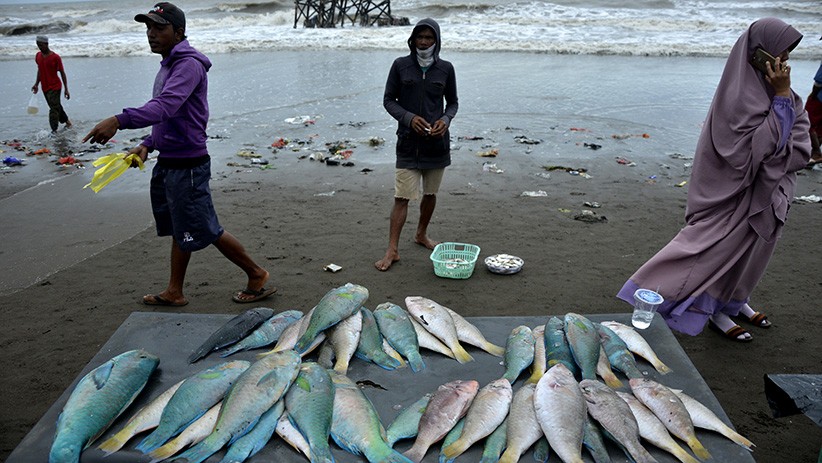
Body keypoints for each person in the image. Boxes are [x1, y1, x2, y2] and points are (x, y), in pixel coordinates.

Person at [616, 18, 810, 342]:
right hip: (731, 192)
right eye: (778, 56)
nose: (783, 65)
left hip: (771, 190)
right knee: (713, 248)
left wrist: (782, 102)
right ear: (756, 55)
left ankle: (734, 302)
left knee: (754, 252)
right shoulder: (737, 100)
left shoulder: (787, 95)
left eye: (787, 58)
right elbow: (754, 151)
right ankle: (683, 301)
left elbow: (799, 144)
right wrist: (780, 109)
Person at [83, 2, 275, 306]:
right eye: (148, 27)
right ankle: (175, 290)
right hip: (170, 161)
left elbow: (165, 106)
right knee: (180, 226)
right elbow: (169, 116)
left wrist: (118, 120)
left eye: (160, 27)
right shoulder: (169, 64)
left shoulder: (187, 65)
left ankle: (256, 274)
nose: (151, 33)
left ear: (179, 32)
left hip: (187, 165)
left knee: (206, 228)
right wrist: (147, 144)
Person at [375, 18, 458, 271]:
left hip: (436, 144)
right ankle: (392, 250)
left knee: (430, 194)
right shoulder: (401, 66)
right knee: (402, 197)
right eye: (419, 37)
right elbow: (389, 100)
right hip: (408, 143)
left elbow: (453, 102)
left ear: (437, 41)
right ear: (412, 39)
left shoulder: (446, 69)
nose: (424, 42)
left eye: (429, 38)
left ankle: (421, 234)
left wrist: (445, 120)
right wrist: (409, 118)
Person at [31, 35, 71, 132]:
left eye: (41, 45)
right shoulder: (38, 56)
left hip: (55, 86)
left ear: (47, 44)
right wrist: (36, 84)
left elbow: (62, 72)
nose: (40, 47)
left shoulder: (55, 57)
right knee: (56, 106)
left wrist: (66, 89)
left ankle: (54, 130)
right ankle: (68, 122)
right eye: (38, 45)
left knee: (53, 109)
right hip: (45, 87)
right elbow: (40, 70)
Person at [804, 61, 822, 166]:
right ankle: (812, 153)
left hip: (819, 98)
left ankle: (816, 152)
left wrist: (813, 95)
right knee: (820, 126)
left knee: (808, 121)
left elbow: (819, 81)